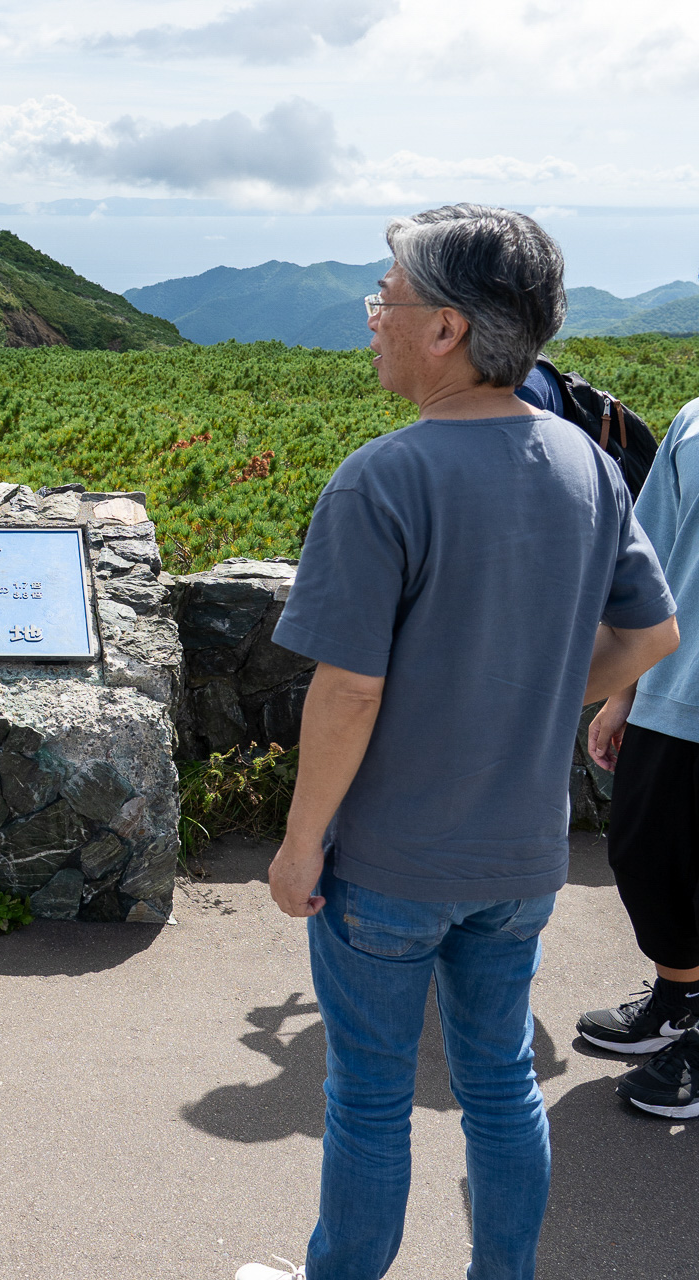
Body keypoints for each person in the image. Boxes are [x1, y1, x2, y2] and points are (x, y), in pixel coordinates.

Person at [235, 205, 680, 1280]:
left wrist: (299, 847)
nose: (372, 320)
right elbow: (654, 631)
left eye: (385, 299)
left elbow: (347, 692)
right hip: (520, 858)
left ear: (445, 330)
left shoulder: (384, 476)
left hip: (390, 860)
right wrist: (532, 700)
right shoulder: (581, 462)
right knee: (498, 1082)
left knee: (371, 1094)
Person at [580, 392, 699, 1118]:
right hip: (676, 686)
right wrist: (623, 689)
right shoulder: (693, 419)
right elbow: (652, 556)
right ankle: (679, 999)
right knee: (643, 854)